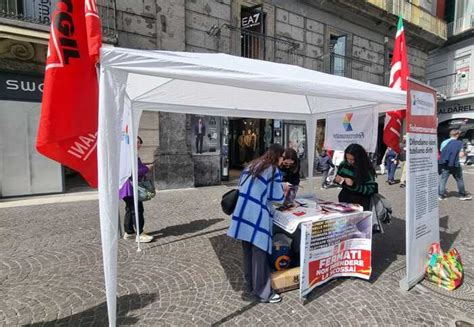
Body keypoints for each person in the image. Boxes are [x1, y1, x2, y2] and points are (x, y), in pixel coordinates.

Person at [227, 144, 286, 303]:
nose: (283, 161)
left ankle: (250, 284)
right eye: (282, 157)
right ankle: (263, 292)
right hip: (257, 216)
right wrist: (284, 188)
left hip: (243, 213)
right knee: (259, 254)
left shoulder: (252, 165)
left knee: (247, 251)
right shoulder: (273, 170)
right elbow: (278, 198)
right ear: (278, 156)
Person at [119, 136, 154, 243]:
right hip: (130, 187)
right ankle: (140, 233)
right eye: (136, 142)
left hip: (126, 187)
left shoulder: (129, 155)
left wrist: (144, 166)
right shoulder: (130, 155)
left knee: (130, 209)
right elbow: (133, 172)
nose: (138, 145)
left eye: (139, 142)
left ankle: (129, 232)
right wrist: (147, 168)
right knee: (137, 210)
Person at [334, 143, 378, 210]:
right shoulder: (343, 164)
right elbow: (339, 178)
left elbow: (371, 189)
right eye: (347, 158)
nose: (349, 161)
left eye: (352, 159)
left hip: (360, 202)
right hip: (344, 199)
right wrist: (338, 180)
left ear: (359, 158)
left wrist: (354, 185)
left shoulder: (366, 169)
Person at [438, 129, 472, 201]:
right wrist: (466, 152)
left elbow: (442, 151)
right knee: (459, 179)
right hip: (455, 164)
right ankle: (462, 195)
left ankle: (440, 195)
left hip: (445, 164)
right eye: (458, 134)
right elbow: (461, 155)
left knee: (443, 180)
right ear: (457, 135)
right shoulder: (459, 143)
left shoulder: (444, 142)